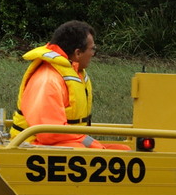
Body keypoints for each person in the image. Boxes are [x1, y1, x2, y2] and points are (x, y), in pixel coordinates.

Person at [12, 20, 129, 150]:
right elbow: (49, 133)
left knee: (124, 150)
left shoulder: (71, 72)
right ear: (78, 53)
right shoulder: (48, 80)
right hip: (34, 147)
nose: (93, 53)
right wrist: (92, 145)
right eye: (93, 49)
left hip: (59, 144)